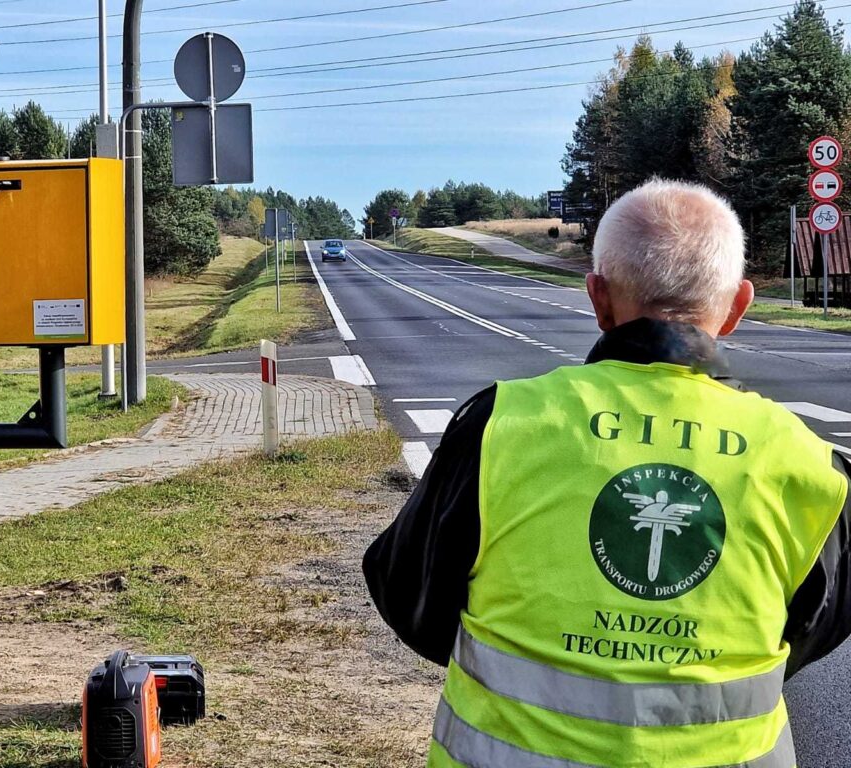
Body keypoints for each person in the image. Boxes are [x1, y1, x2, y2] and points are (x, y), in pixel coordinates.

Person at [363, 179, 851, 768]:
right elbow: (816, 626)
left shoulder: (501, 425)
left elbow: (410, 593)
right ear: (739, 308)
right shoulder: (808, 462)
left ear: (597, 298)